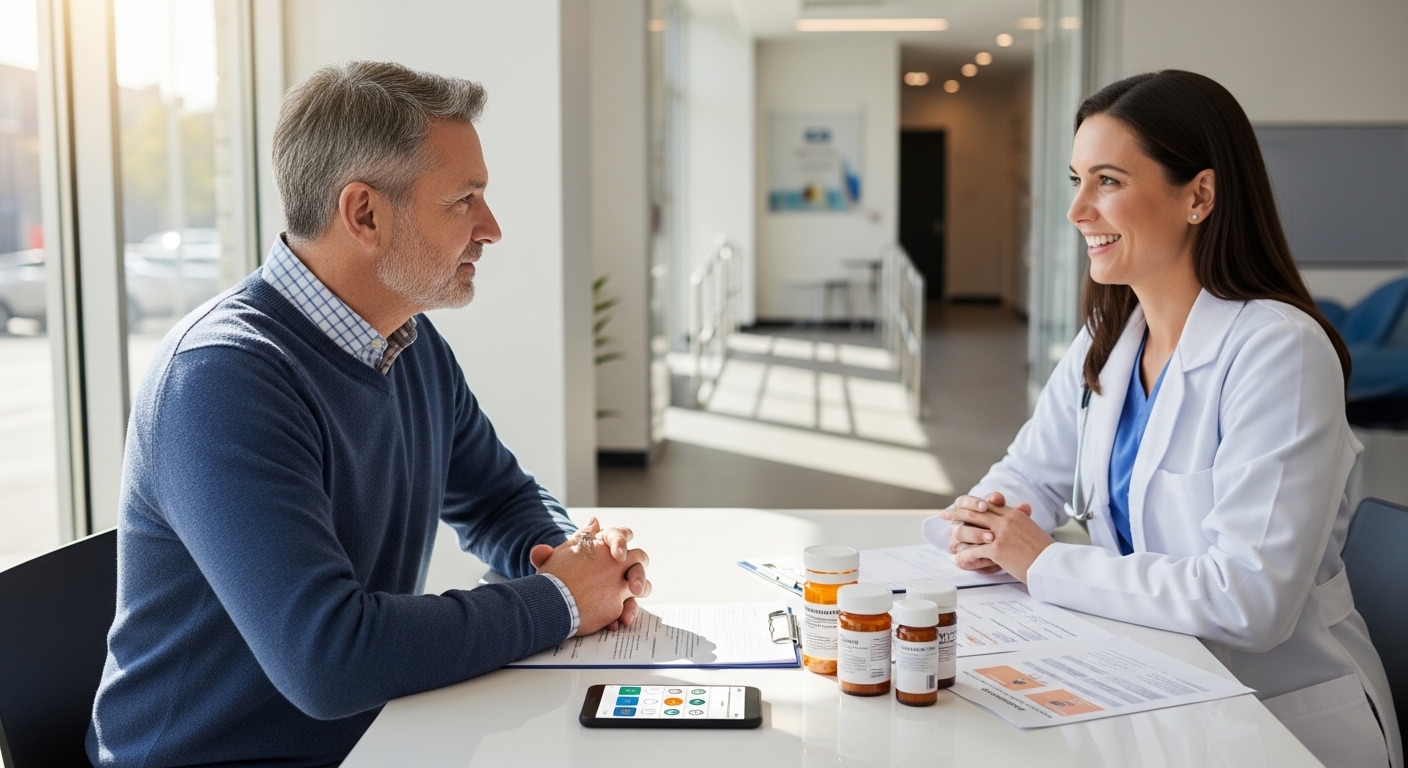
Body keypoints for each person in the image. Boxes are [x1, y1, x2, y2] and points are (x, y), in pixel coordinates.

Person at [86, 61, 650, 767]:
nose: (491, 228)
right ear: (365, 215)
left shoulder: (406, 341)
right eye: (464, 200)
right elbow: (330, 658)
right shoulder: (222, 378)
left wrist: (577, 557)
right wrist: (560, 601)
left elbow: (498, 497)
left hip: (367, 738)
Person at [925, 70, 1402, 768]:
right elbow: (1023, 479)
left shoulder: (1279, 350)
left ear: (1199, 196)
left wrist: (1045, 560)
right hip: (1151, 690)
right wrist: (978, 526)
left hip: (1277, 721)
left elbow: (1249, 601)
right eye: (1076, 180)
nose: (1077, 211)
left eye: (1108, 181)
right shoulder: (1107, 339)